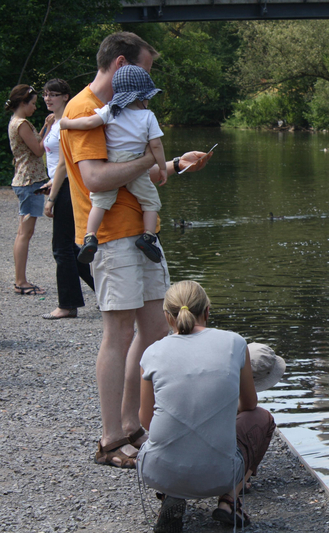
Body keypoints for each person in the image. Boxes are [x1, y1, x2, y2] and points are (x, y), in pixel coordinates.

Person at [60, 31, 212, 469]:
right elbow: (96, 179)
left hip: (141, 237)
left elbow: (137, 171)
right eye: (146, 69)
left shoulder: (128, 110)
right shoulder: (86, 109)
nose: (148, 79)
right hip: (110, 237)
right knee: (118, 334)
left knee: (153, 331)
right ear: (123, 63)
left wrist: (175, 163)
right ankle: (109, 439)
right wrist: (150, 159)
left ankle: (131, 425)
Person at [138, 280, 277, 531]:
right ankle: (229, 501)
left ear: (168, 317)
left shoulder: (152, 353)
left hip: (157, 471)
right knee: (262, 418)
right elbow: (249, 404)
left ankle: (172, 494)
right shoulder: (234, 343)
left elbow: (146, 420)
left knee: (171, 433)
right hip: (219, 474)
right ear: (208, 311)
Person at [60, 64, 167, 264]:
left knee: (99, 203)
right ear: (142, 97)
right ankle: (148, 237)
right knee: (151, 202)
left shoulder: (109, 110)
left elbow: (89, 123)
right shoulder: (148, 116)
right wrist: (162, 166)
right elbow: (156, 145)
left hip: (113, 161)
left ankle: (90, 236)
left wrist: (66, 124)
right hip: (134, 164)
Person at [40, 78, 95, 319]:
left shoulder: (66, 122)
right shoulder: (54, 121)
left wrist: (52, 198)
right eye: (45, 94)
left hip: (66, 187)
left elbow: (65, 162)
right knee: (72, 248)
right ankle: (105, 294)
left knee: (62, 248)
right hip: (60, 183)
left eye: (53, 94)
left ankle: (67, 305)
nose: (48, 98)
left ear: (65, 96)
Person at [5, 84, 52, 295]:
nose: (35, 107)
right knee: (25, 233)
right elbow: (38, 149)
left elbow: (35, 143)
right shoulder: (22, 123)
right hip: (29, 181)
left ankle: (20, 279)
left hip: (25, 179)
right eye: (32, 103)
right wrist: (50, 128)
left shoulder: (16, 122)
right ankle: (20, 281)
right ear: (23, 103)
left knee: (23, 232)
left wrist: (43, 127)